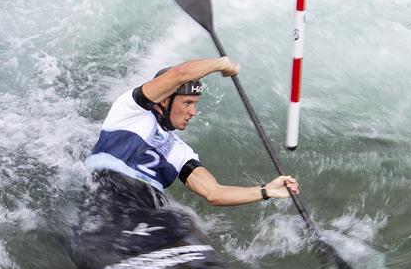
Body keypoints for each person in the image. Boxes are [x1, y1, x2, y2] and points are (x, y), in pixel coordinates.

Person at [85, 56, 299, 204]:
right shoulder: (131, 111)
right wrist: (221, 64)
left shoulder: (180, 150)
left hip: (149, 206)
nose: (193, 111)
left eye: (195, 104)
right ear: (164, 100)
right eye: (187, 103)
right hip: (109, 195)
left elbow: (214, 193)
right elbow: (180, 73)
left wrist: (267, 190)